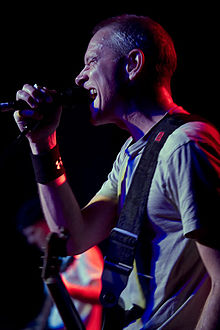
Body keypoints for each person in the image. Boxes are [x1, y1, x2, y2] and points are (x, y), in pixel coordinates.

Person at [13, 14, 220, 329]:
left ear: (133, 64)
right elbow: (72, 236)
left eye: (91, 62)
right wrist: (42, 144)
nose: (80, 79)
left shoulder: (185, 145)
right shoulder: (130, 153)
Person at [17, 197, 103, 330]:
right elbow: (52, 300)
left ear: (45, 223)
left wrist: (65, 289)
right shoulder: (54, 257)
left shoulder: (82, 250)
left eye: (33, 232)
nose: (30, 241)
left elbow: (99, 294)